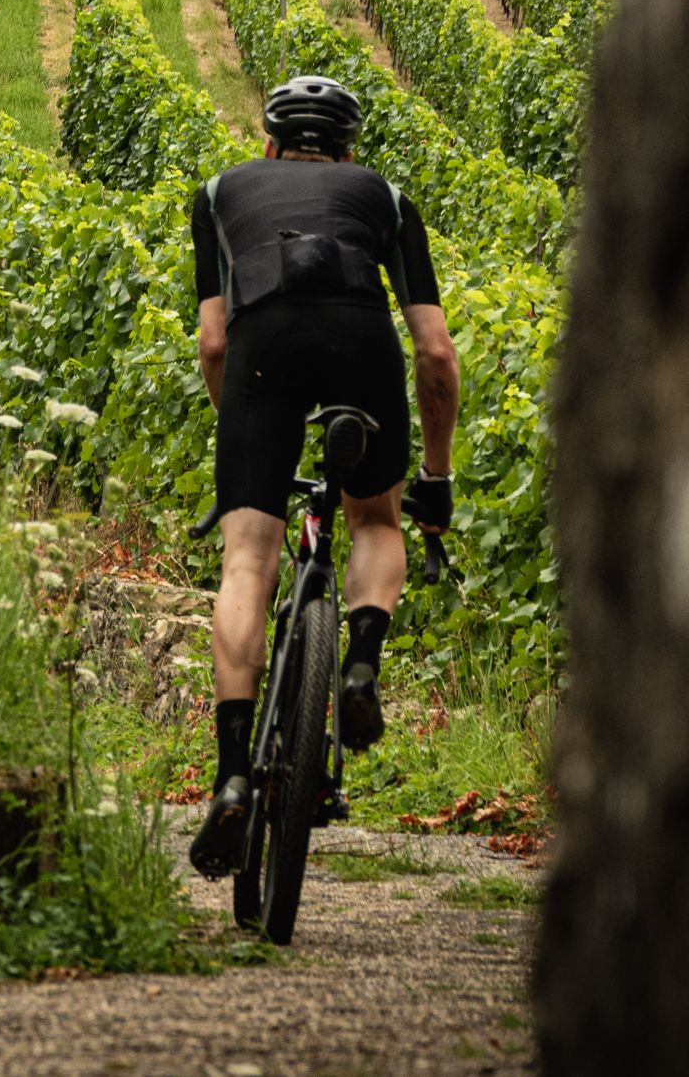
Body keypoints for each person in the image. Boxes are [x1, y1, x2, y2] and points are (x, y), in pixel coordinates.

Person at [185, 75, 461, 879]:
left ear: (267, 145)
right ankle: (361, 661)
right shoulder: (386, 195)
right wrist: (434, 481)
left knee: (247, 561)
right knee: (375, 520)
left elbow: (213, 345)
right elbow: (436, 353)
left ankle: (235, 770)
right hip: (359, 338)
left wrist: (241, 435)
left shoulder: (219, 191)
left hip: (262, 345)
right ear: (348, 153)